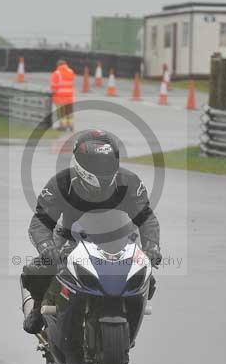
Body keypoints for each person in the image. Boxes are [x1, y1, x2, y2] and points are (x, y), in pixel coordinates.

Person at [21, 129, 162, 334]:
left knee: (148, 279)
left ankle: (129, 318)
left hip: (118, 243)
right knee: (36, 271)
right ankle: (36, 308)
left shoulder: (130, 182)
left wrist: (152, 246)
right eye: (95, 163)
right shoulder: (61, 183)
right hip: (71, 241)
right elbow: (40, 222)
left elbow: (146, 218)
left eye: (107, 162)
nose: (102, 168)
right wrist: (46, 247)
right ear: (79, 161)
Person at [49, 59, 75, 131]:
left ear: (58, 65)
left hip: (60, 96)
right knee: (69, 112)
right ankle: (71, 125)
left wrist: (52, 94)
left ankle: (63, 126)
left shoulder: (56, 73)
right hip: (69, 96)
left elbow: (54, 86)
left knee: (61, 112)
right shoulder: (71, 72)